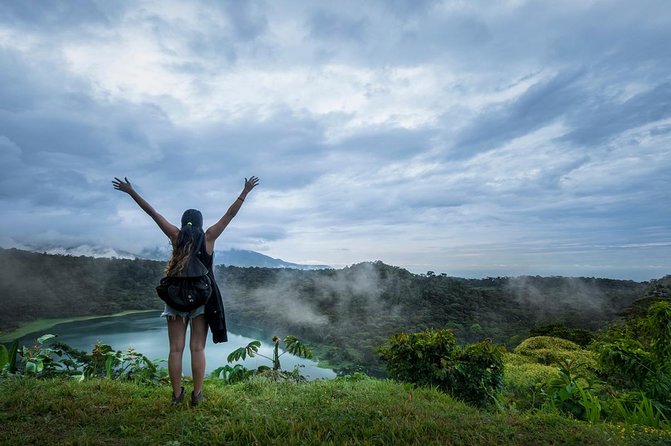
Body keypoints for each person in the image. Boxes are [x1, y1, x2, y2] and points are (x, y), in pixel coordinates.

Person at [112, 176, 260, 405]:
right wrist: (245, 191)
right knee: (197, 348)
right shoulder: (209, 237)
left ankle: (176, 396)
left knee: (175, 350)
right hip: (201, 299)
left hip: (175, 300)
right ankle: (197, 395)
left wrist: (131, 192)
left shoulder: (176, 236)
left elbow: (153, 213)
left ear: (183, 223)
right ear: (200, 222)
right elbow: (230, 215)